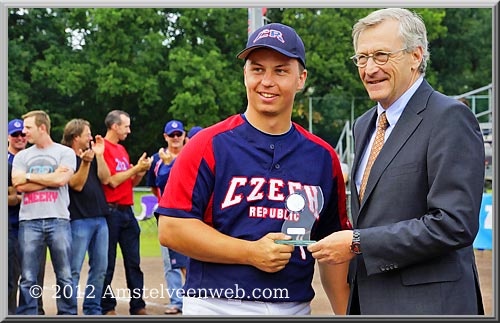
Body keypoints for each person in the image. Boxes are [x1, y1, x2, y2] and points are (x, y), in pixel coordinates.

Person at [156, 22, 351, 315]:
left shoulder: (323, 157)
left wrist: (344, 313)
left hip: (294, 306)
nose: (267, 81)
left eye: (281, 70)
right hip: (216, 304)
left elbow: (332, 249)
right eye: (257, 69)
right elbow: (171, 229)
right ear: (245, 74)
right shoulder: (207, 145)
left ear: (301, 78)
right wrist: (250, 252)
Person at [307, 8, 485, 315]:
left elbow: (454, 224)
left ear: (416, 56)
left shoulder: (449, 118)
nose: (369, 68)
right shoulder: (364, 125)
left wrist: (358, 242)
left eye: (381, 55)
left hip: (430, 307)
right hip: (369, 303)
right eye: (361, 58)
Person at [11, 110, 77, 315]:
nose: (24, 132)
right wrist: (50, 177)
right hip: (29, 221)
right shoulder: (22, 156)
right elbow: (18, 185)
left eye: (28, 128)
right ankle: (28, 314)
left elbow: (61, 181)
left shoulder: (65, 153)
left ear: (42, 128)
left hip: (58, 220)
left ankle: (67, 313)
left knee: (65, 274)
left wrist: (29, 177)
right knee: (28, 276)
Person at [100, 110, 152, 315]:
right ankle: (107, 306)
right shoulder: (102, 148)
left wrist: (140, 171)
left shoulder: (121, 149)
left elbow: (129, 182)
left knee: (134, 262)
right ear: (114, 126)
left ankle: (138, 305)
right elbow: (111, 181)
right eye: (126, 126)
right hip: (111, 211)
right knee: (108, 263)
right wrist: (134, 169)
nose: (129, 130)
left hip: (126, 211)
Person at [61, 119, 110, 315]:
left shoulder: (92, 155)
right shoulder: (66, 158)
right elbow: (76, 185)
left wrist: (100, 155)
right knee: (72, 270)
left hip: (100, 218)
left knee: (100, 269)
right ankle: (69, 311)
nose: (91, 137)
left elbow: (106, 178)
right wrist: (86, 162)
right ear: (76, 137)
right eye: (87, 134)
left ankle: (92, 309)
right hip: (78, 220)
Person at [7, 118, 49, 315]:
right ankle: (10, 313)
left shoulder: (35, 158)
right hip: (12, 227)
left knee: (35, 276)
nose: (20, 138)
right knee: (11, 278)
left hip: (35, 225)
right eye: (15, 134)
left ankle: (35, 312)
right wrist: (20, 195)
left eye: (23, 134)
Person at [146, 119, 188, 315]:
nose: (176, 138)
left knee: (191, 259)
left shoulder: (191, 154)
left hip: (189, 214)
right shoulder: (157, 159)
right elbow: (155, 186)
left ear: (184, 135)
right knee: (169, 260)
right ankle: (177, 301)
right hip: (167, 214)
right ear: (165, 137)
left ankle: (194, 298)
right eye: (172, 135)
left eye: (179, 134)